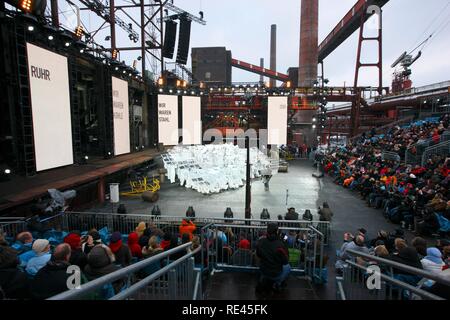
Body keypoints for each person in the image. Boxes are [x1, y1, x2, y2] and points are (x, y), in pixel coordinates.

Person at [256, 223, 290, 290]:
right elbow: (286, 261)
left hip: (263, 270)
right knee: (288, 267)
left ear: (267, 231)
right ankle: (278, 283)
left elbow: (258, 255)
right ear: (277, 232)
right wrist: (284, 244)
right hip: (275, 274)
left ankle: (263, 278)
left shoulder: (261, 242)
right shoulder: (280, 245)